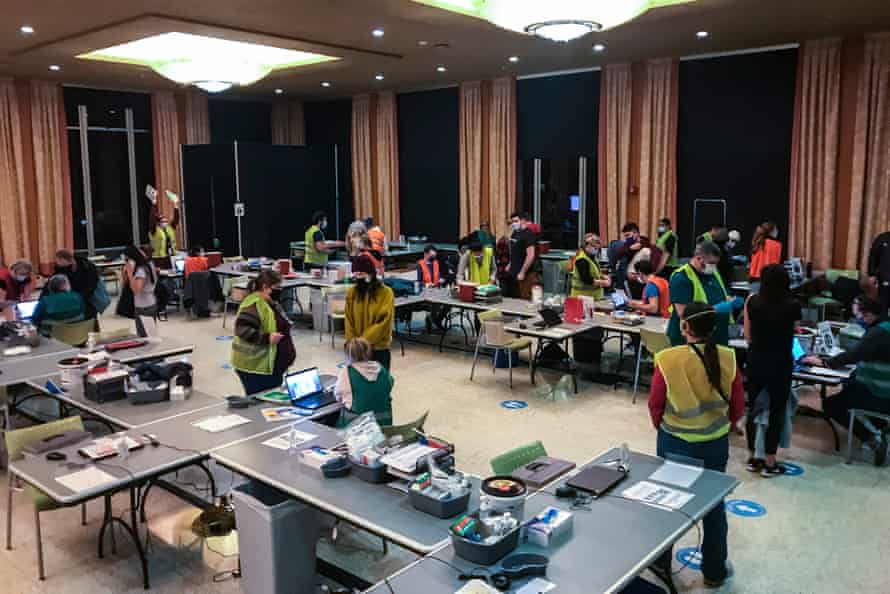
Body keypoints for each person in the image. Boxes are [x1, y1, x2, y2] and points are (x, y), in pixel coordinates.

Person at [649, 303, 744, 589]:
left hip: (674, 442)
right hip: (714, 444)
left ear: (684, 327)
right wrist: (723, 427)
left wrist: (663, 428)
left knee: (668, 503)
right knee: (714, 508)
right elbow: (738, 407)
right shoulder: (729, 357)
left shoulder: (667, 359)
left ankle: (661, 564)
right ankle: (714, 570)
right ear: (713, 328)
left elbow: (655, 404)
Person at [803, 296, 890, 466]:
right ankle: (879, 426)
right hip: (879, 388)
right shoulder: (884, 326)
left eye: (859, 315)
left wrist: (825, 362)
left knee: (831, 404)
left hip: (881, 394)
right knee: (848, 385)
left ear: (869, 314)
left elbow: (855, 354)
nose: (858, 319)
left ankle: (873, 440)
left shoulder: (878, 333)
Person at [743, 264, 802, 476]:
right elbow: (795, 332)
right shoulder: (793, 305)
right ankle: (770, 461)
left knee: (754, 409)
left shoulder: (752, 301)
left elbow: (747, 336)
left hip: (756, 360)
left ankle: (752, 457)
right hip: (781, 363)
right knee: (777, 411)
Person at [231, 270, 296, 395]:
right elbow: (242, 329)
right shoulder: (254, 303)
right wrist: (267, 338)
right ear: (265, 287)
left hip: (268, 367)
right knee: (260, 404)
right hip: (255, 368)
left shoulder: (269, 302)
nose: (279, 291)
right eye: (276, 288)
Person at [667, 241, 743, 347]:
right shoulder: (681, 277)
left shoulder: (713, 273)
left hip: (716, 334)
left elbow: (719, 293)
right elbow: (683, 313)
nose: (714, 266)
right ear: (698, 258)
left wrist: (731, 301)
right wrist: (716, 309)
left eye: (716, 263)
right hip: (691, 339)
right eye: (711, 263)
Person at [345, 254, 395, 370]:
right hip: (356, 350)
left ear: (370, 273)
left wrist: (363, 341)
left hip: (378, 349)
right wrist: (352, 342)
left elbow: (383, 322)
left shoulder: (386, 293)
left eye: (361, 274)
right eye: (356, 274)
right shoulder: (352, 293)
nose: (359, 277)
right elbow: (348, 319)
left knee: (379, 385)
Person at [334, 337, 394, 427]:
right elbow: (390, 383)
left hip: (357, 428)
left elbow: (338, 395)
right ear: (368, 352)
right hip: (384, 425)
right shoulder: (380, 368)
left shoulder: (347, 371)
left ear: (348, 354)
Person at [614, 223, 663, 291]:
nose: (626, 238)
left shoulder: (647, 244)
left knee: (646, 251)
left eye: (628, 235)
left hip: (644, 272)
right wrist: (630, 249)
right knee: (623, 258)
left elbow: (657, 253)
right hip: (630, 273)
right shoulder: (628, 245)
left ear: (636, 233)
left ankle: (642, 276)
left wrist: (651, 271)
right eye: (625, 236)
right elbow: (617, 254)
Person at [122, 245, 158, 337]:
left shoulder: (141, 271)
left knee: (145, 337)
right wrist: (125, 273)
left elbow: (135, 290)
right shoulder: (149, 265)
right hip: (149, 303)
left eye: (127, 260)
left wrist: (130, 273)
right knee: (149, 335)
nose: (126, 262)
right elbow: (125, 284)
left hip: (144, 307)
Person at [53, 250, 100, 320]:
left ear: (63, 259)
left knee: (89, 320)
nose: (57, 263)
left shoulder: (87, 266)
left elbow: (91, 287)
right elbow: (53, 283)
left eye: (58, 261)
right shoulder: (61, 268)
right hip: (70, 300)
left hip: (88, 301)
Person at [506, 212, 538, 299]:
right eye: (512, 222)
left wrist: (523, 272)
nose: (513, 224)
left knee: (524, 299)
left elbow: (530, 255)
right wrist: (510, 264)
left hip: (526, 275)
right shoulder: (515, 233)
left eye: (516, 221)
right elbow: (515, 251)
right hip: (514, 273)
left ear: (522, 221)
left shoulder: (528, 234)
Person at [570, 233, 610, 299]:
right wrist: (603, 282)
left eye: (597, 248)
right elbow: (587, 280)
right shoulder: (582, 260)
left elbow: (595, 272)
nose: (596, 250)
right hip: (582, 297)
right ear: (586, 245)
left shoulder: (591, 257)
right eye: (594, 248)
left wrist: (603, 276)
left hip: (592, 297)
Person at [147, 189, 180, 267]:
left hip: (171, 256)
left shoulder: (169, 228)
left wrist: (175, 205)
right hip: (159, 259)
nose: (165, 222)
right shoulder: (154, 230)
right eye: (163, 221)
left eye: (166, 221)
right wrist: (154, 203)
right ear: (158, 223)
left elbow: (176, 219)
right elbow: (152, 218)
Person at [867, 230, 890, 317]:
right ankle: (882, 327)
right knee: (882, 307)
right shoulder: (883, 237)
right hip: (884, 281)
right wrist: (872, 275)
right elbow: (873, 256)